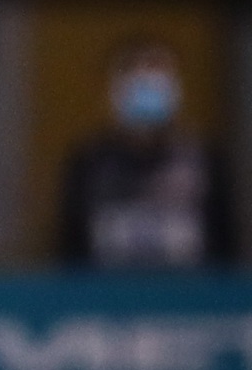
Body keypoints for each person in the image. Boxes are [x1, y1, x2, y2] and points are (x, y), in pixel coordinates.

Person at [59, 39, 235, 269]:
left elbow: (226, 249)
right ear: (113, 87)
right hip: (107, 299)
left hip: (189, 298)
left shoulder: (205, 159)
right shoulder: (88, 162)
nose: (144, 82)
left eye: (155, 69)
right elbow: (69, 250)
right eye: (131, 70)